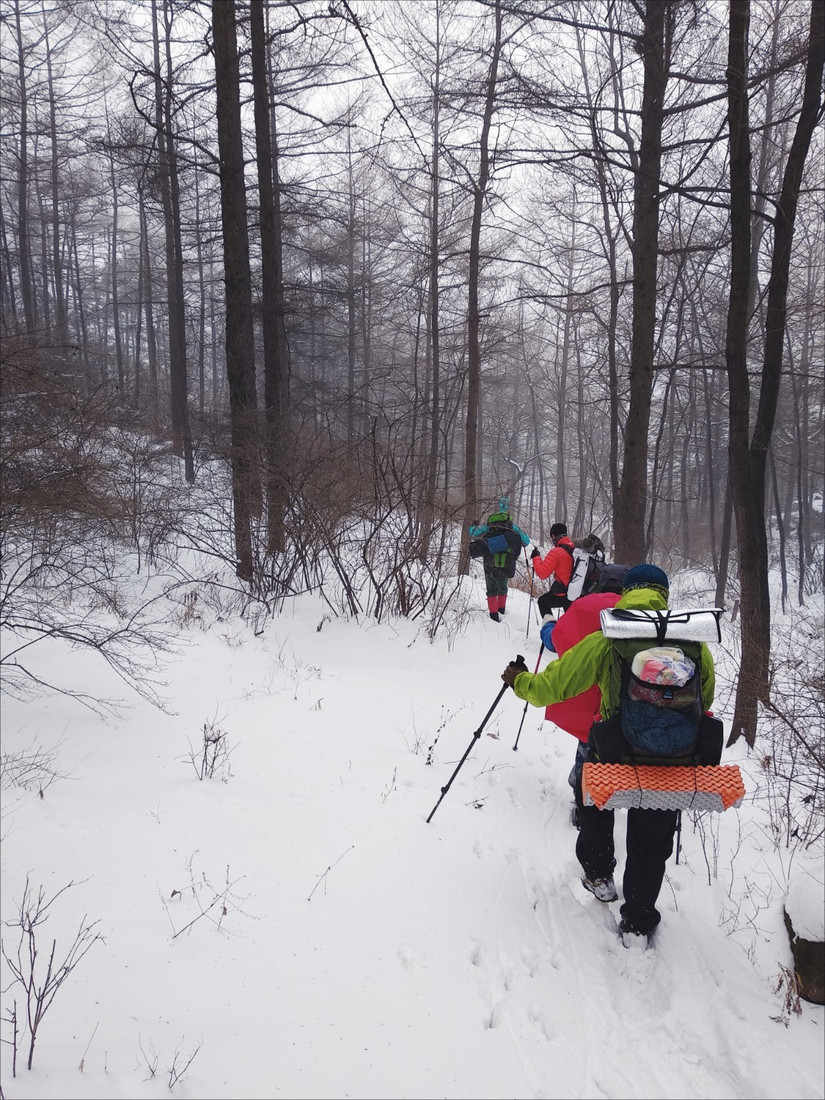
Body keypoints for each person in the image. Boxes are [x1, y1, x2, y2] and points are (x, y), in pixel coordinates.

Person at [501, 563, 715, 945]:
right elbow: (706, 698)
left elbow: (555, 685)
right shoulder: (692, 642)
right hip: (673, 759)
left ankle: (599, 875)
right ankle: (637, 920)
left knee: (594, 801)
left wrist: (520, 682)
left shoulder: (612, 635)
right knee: (651, 843)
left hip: (615, 753)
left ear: (628, 592)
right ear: (664, 595)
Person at [539, 563, 630, 827]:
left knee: (590, 746)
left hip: (587, 699)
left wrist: (547, 625)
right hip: (632, 701)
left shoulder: (584, 606)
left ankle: (584, 802)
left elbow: (556, 640)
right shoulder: (643, 613)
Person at [468, 498, 532, 622]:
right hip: (507, 562)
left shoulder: (490, 526)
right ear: (507, 510)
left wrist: (473, 525)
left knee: (491, 590)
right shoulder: (512, 527)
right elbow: (526, 541)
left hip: (489, 561)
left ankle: (493, 616)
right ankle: (501, 610)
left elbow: (473, 534)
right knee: (503, 587)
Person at [531, 523, 576, 616]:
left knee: (543, 602)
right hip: (575, 592)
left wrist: (536, 557)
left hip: (563, 594)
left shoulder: (557, 552)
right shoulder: (575, 548)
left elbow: (542, 574)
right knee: (571, 620)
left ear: (553, 536)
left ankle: (550, 630)